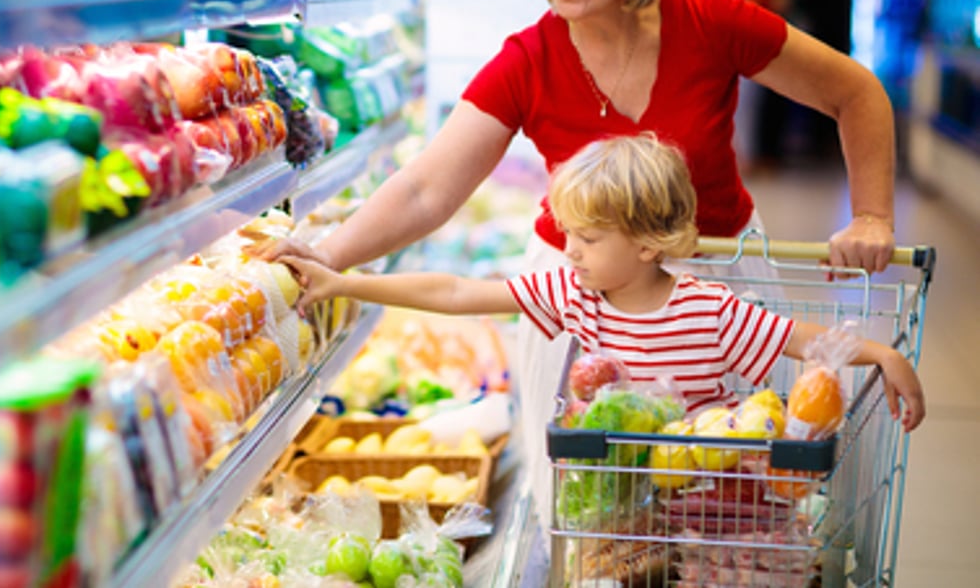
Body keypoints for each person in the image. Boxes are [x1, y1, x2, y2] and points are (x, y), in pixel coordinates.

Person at [254, 0, 901, 541]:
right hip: (582, 299)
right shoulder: (528, 58)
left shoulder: (711, 22)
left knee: (734, 498)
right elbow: (425, 188)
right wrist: (324, 254)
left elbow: (854, 92)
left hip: (716, 290)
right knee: (593, 516)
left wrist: (872, 214)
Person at [279, 135, 925, 430]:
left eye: (587, 239)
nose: (569, 250)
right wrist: (343, 282)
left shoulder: (711, 310)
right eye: (569, 234)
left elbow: (800, 340)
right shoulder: (572, 293)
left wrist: (883, 354)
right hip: (608, 510)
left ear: (648, 244)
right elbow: (454, 293)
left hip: (702, 506)